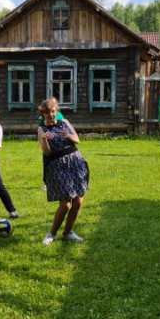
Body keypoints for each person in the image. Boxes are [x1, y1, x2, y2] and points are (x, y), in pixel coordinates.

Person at [37, 97, 90, 244]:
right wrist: (44, 139)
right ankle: (51, 234)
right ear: (43, 114)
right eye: (47, 112)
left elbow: (77, 139)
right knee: (65, 204)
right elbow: (47, 152)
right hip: (58, 165)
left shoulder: (65, 122)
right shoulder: (42, 129)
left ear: (56, 111)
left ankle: (68, 233)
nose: (50, 114)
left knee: (78, 201)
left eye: (53, 111)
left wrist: (68, 135)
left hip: (75, 162)